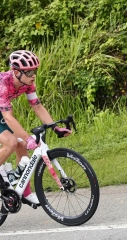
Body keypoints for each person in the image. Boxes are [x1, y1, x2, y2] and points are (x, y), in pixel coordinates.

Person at [0, 50, 72, 205]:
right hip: (4, 113)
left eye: (35, 71)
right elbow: (8, 117)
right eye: (29, 72)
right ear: (16, 72)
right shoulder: (4, 84)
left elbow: (37, 106)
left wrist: (55, 128)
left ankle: (24, 192)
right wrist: (27, 137)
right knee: (12, 142)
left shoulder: (28, 84)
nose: (33, 75)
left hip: (2, 110)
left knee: (22, 145)